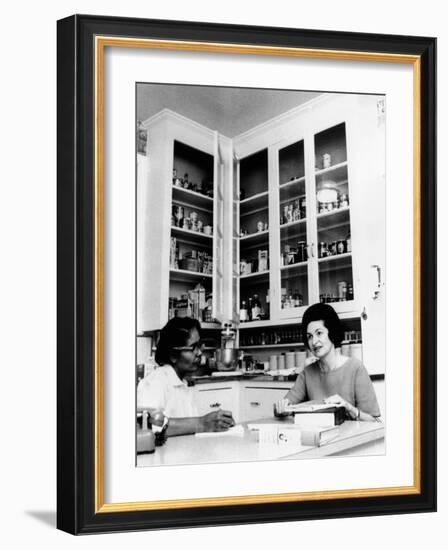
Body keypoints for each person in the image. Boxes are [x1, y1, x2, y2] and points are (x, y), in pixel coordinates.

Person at [275, 303, 381, 421]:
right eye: (309, 336)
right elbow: (285, 405)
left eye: (319, 333)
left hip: (350, 438)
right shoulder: (307, 373)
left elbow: (375, 422)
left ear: (332, 332)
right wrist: (280, 410)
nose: (314, 341)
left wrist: (348, 408)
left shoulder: (356, 368)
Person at [137, 317, 235, 436]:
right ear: (173, 355)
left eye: (199, 346)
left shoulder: (182, 383)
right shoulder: (155, 382)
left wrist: (219, 423)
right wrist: (202, 423)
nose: (199, 352)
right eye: (193, 347)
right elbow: (147, 425)